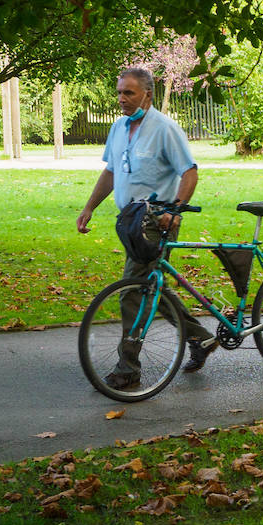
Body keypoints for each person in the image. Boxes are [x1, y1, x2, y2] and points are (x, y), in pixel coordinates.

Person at [76, 67, 216, 389]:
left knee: (132, 291)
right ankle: (201, 338)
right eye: (120, 93)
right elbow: (111, 171)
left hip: (156, 222)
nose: (122, 99)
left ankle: (128, 368)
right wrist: (89, 207)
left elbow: (189, 172)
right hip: (129, 221)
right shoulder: (118, 128)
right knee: (152, 289)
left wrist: (175, 211)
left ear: (148, 95)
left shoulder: (165, 129)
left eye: (129, 93)